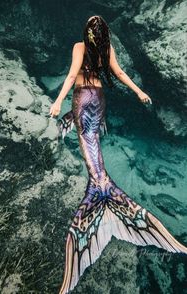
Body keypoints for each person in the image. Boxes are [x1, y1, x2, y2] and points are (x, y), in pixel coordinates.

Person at [49, 15, 187, 294]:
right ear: (104, 34)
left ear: (86, 32)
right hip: (99, 101)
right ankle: (106, 197)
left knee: (93, 159)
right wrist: (139, 92)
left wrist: (58, 100)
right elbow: (121, 75)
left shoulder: (79, 47)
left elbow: (70, 76)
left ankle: (101, 198)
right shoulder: (107, 49)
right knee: (92, 134)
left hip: (82, 97)